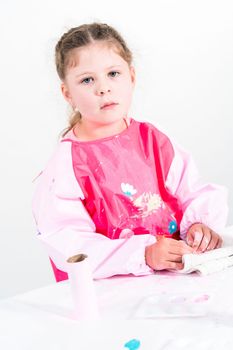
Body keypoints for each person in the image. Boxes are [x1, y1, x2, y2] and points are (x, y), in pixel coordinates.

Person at [32, 22, 228, 282]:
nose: (103, 88)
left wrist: (199, 226)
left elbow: (190, 190)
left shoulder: (152, 139)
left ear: (132, 76)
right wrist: (142, 254)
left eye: (113, 73)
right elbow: (69, 244)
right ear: (67, 93)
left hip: (173, 284)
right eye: (87, 80)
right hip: (112, 295)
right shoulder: (67, 165)